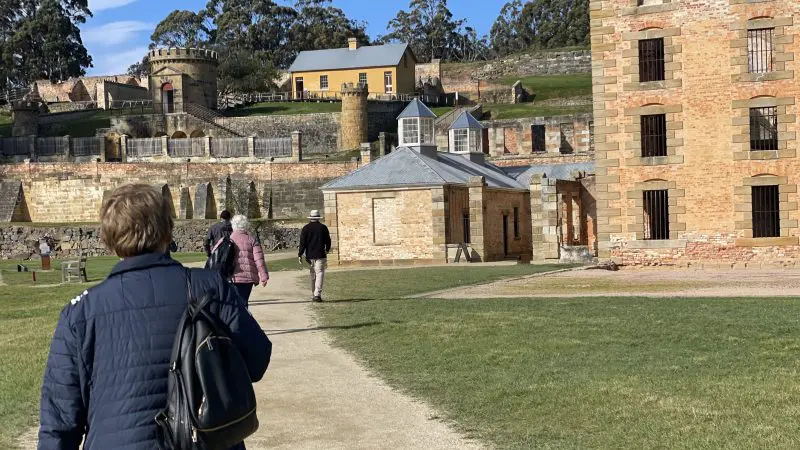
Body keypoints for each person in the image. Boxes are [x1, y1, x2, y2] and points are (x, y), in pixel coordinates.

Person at [38, 184, 271, 450]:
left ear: (109, 239)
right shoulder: (211, 288)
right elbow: (257, 359)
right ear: (168, 231)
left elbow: (59, 423)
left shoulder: (81, 313)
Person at [229, 214, 269, 306]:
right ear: (246, 225)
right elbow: (259, 260)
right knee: (243, 303)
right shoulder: (251, 240)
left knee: (233, 304)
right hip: (247, 278)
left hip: (232, 277)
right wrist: (264, 276)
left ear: (233, 225)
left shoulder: (228, 240)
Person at [298, 209, 331, 302]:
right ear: (318, 218)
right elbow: (328, 241)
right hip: (320, 254)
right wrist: (327, 250)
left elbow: (302, 243)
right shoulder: (323, 228)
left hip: (310, 255)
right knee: (319, 273)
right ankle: (317, 294)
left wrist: (300, 254)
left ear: (310, 217)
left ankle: (314, 293)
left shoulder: (306, 228)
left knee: (313, 274)